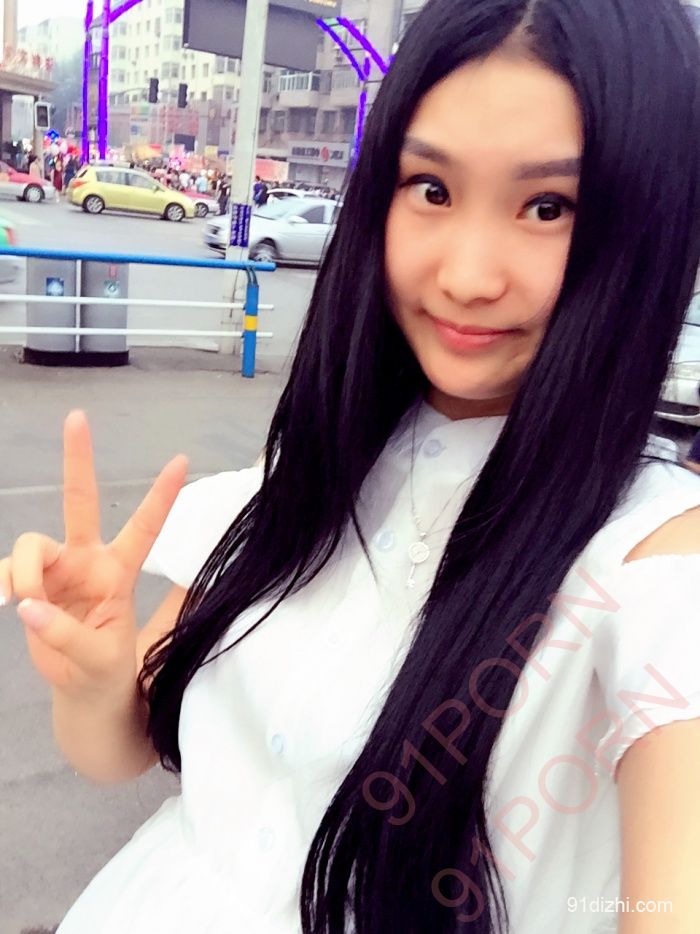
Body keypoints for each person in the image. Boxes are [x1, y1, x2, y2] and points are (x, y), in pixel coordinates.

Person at [6, 0, 700, 931]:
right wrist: (93, 683)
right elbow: (120, 752)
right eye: (432, 189)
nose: (467, 276)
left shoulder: (655, 569)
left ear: (650, 226)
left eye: (548, 207)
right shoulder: (310, 475)